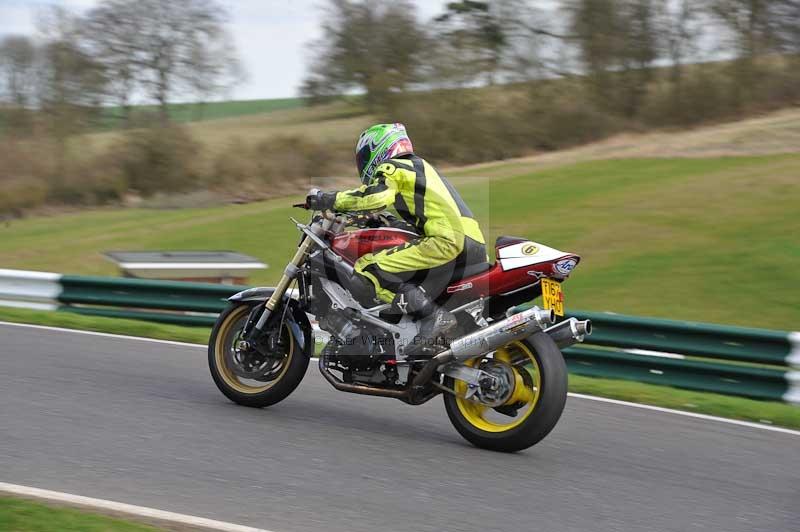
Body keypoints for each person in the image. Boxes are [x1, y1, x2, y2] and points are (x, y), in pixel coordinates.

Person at [306, 123, 487, 344]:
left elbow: (376, 197)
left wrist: (328, 199)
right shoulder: (419, 166)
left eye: (365, 156)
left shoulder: (393, 167)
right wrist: (385, 221)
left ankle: (430, 316)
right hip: (472, 241)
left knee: (369, 267)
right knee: (399, 268)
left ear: (380, 148)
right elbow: (429, 212)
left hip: (446, 240)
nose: (363, 164)